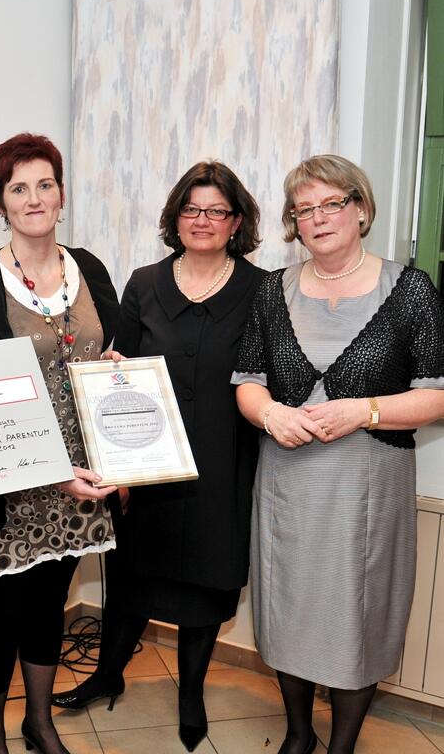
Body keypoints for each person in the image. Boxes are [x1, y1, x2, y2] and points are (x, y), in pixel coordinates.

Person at [232, 154, 444, 754]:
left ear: (361, 208)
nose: (317, 218)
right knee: (290, 610)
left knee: (360, 615)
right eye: (303, 210)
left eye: (331, 204)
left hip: (369, 488)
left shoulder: (409, 290)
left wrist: (365, 410)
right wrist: (270, 412)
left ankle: (343, 744)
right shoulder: (273, 290)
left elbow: (436, 395)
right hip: (287, 486)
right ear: (293, 223)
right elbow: (246, 380)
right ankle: (299, 735)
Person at [53, 161, 265, 752]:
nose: (202, 220)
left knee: (205, 586)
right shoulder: (144, 283)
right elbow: (122, 365)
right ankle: (105, 674)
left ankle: (191, 694)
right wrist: (115, 375)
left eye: (216, 211)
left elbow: (265, 374)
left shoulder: (260, 288)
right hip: (146, 468)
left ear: (235, 222)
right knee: (132, 579)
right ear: (175, 218)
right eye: (191, 210)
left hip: (222, 464)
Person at [0, 133, 119, 754]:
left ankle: (40, 720)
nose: (34, 198)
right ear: (1, 202)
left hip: (82, 473)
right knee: (2, 611)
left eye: (44, 184)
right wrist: (42, 463)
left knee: (53, 600)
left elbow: (110, 354)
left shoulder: (90, 268)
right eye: (18, 188)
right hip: (17, 472)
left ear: (60, 192)